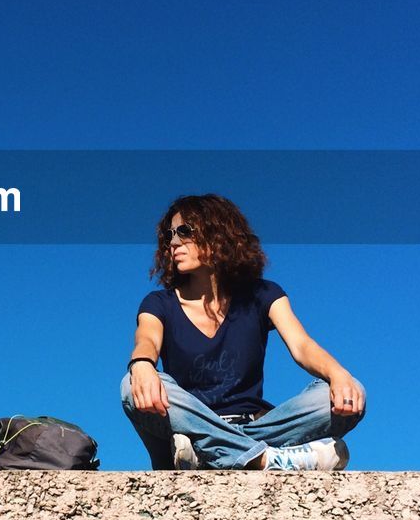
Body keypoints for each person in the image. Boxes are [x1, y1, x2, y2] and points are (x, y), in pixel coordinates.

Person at [120, 194, 367, 471]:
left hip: (252, 426)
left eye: (184, 232)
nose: (174, 243)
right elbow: (147, 339)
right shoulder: (160, 303)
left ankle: (211, 454)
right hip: (187, 422)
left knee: (343, 393)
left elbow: (302, 346)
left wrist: (338, 375)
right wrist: (141, 364)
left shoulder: (264, 294)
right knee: (132, 385)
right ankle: (268, 459)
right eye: (169, 235)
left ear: (218, 234)